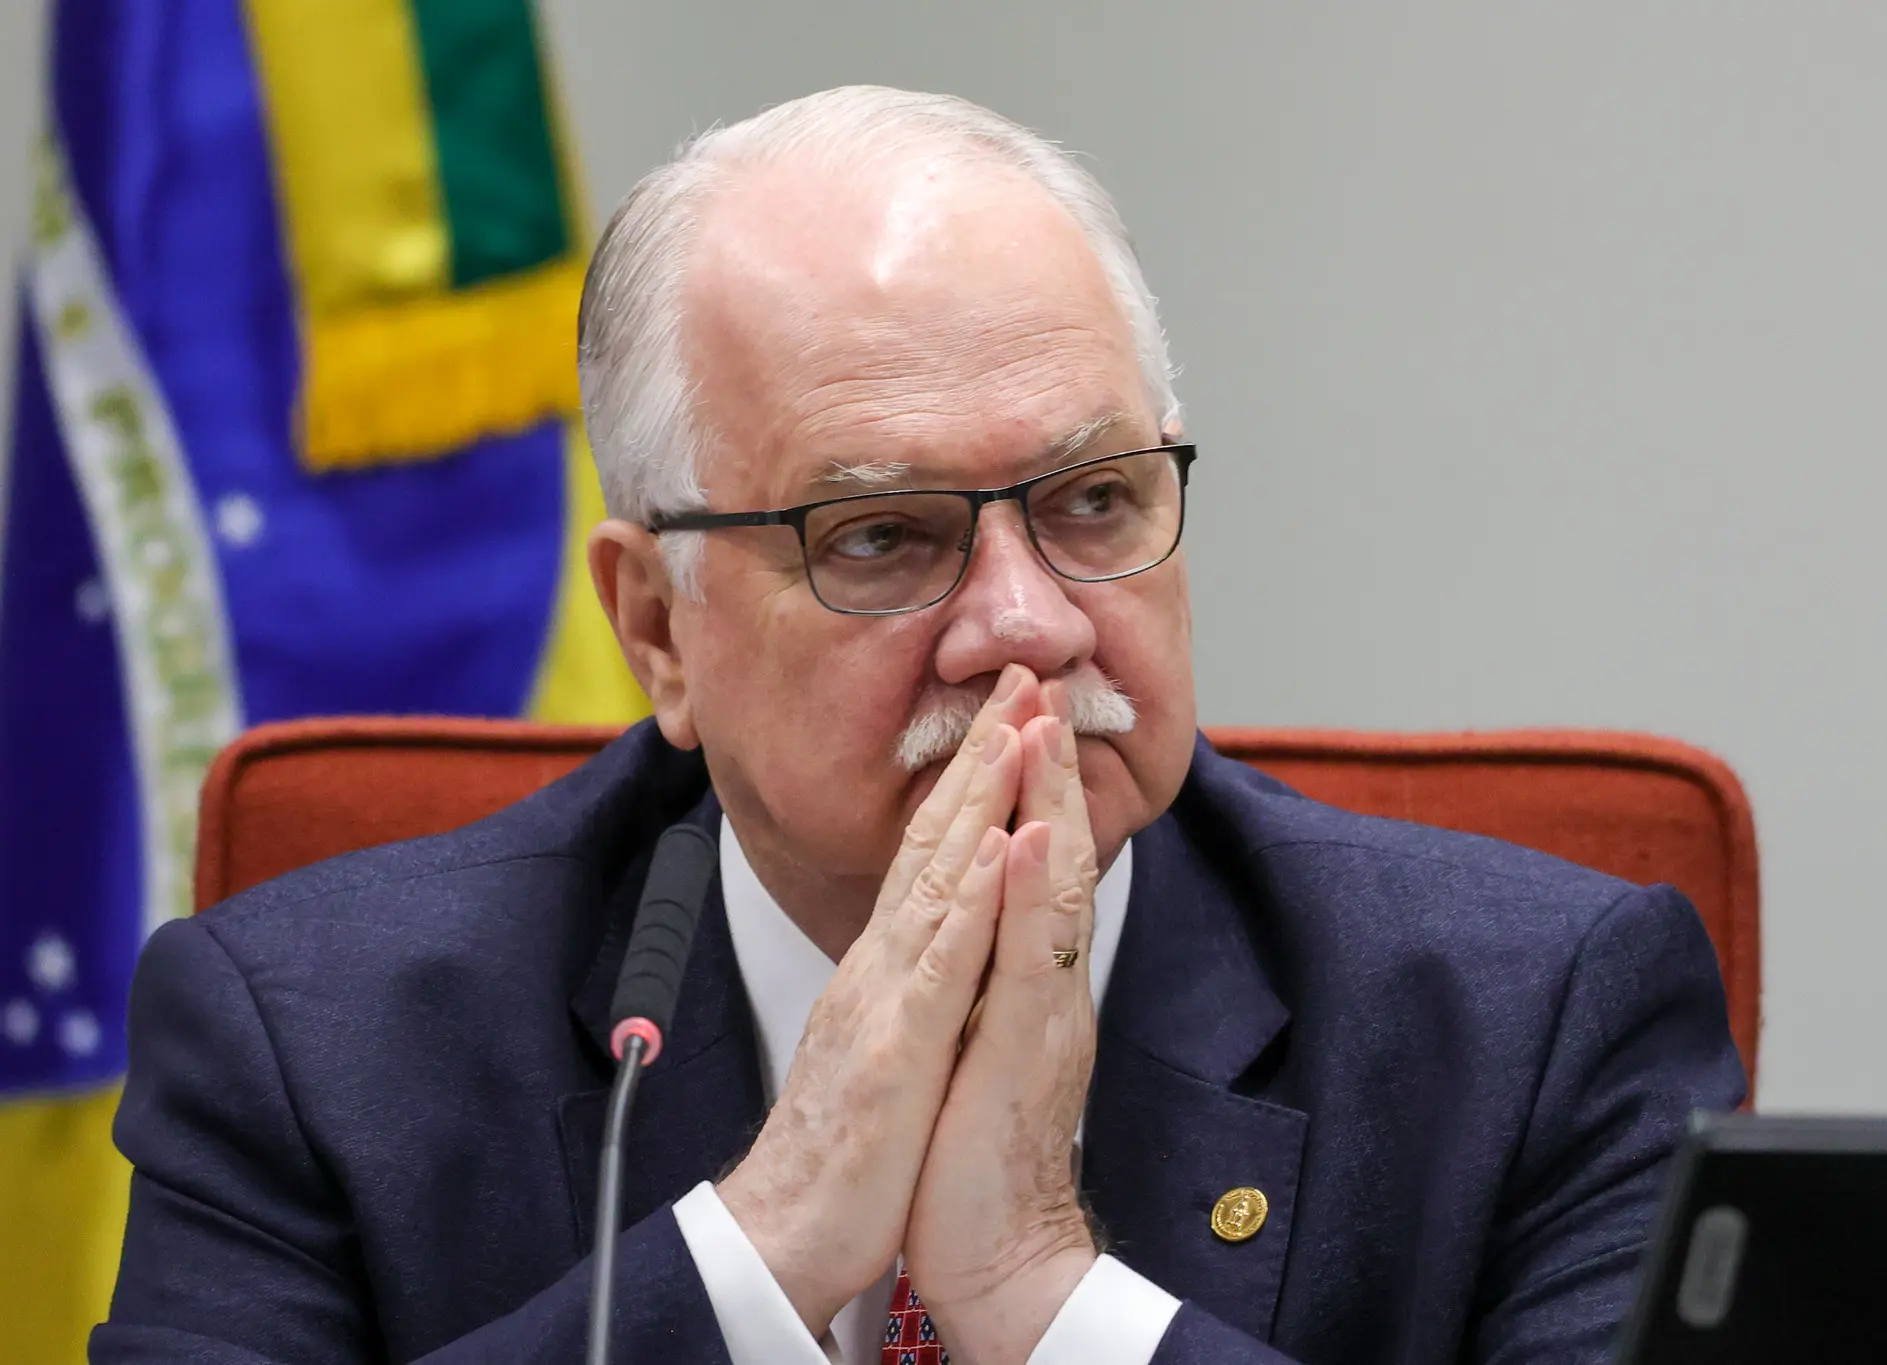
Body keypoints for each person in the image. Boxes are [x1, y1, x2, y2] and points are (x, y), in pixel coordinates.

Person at [92, 87, 1744, 1365]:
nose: (1028, 623)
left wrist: (1040, 1294)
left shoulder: (1532, 1026)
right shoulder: (316, 1049)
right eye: (881, 537)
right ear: (658, 627)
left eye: (1095, 501)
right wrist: (761, 1246)